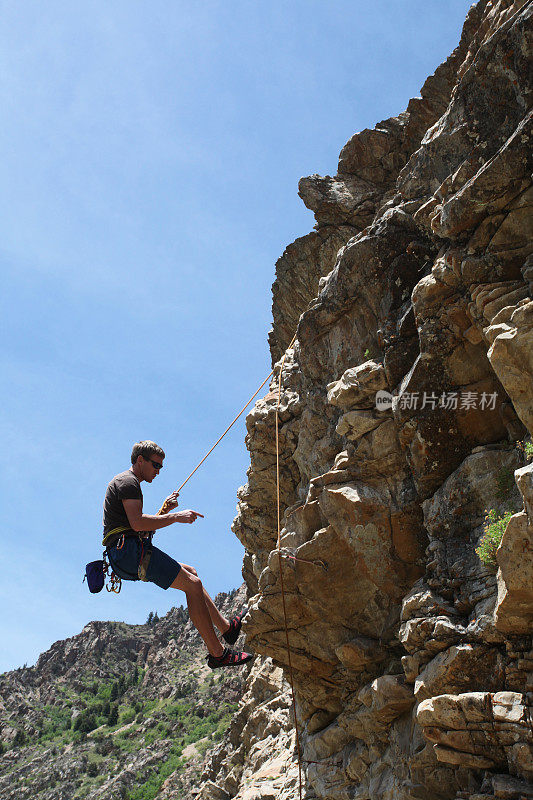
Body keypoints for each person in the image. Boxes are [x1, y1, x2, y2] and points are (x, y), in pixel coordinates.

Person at [102, 440, 252, 669]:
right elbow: (137, 523)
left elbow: (136, 525)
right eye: (155, 465)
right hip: (129, 553)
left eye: (161, 467)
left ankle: (226, 629)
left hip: (127, 553)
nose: (158, 471)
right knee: (193, 584)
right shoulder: (128, 482)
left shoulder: (127, 482)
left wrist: (164, 511)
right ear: (140, 460)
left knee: (191, 572)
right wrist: (176, 517)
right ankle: (218, 654)